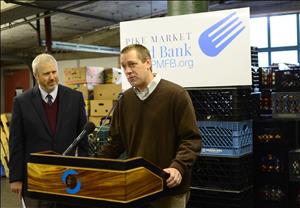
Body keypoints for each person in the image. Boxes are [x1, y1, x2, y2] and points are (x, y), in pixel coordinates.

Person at [98, 44, 202, 208]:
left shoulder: (176, 95)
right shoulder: (125, 100)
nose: (127, 71)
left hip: (168, 187)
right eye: (124, 67)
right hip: (137, 187)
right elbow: (116, 142)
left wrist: (178, 167)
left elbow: (191, 140)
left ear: (148, 62)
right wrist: (94, 165)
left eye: (132, 64)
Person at [9, 53, 89, 208]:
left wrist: (84, 171)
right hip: (35, 177)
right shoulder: (21, 102)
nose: (52, 77)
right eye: (46, 74)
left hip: (68, 176)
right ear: (36, 76)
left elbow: (83, 139)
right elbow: (16, 143)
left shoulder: (75, 98)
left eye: (54, 72)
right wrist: (15, 178)